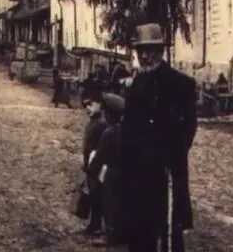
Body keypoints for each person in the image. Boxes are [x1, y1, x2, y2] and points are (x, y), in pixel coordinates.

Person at [122, 24, 197, 252]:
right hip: (140, 175)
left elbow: (188, 127)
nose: (145, 56)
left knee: (169, 232)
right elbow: (129, 130)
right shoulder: (136, 86)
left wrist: (171, 154)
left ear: (161, 51)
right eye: (141, 51)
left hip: (168, 173)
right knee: (140, 233)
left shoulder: (181, 85)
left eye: (151, 50)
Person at [89, 93, 126, 247]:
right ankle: (121, 233)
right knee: (122, 204)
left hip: (112, 172)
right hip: (127, 173)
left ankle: (110, 235)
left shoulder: (109, 133)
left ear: (109, 114)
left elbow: (100, 157)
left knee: (109, 202)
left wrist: (91, 171)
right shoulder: (127, 130)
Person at [80, 92, 108, 237]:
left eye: (91, 105)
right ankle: (94, 223)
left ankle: (98, 226)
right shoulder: (92, 121)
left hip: (97, 165)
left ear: (100, 105)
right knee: (92, 194)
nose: (88, 108)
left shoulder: (101, 124)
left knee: (98, 196)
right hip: (89, 163)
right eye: (86, 105)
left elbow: (101, 147)